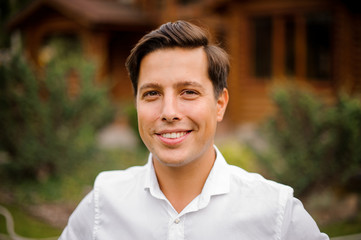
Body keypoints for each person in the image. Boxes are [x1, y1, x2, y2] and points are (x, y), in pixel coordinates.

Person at [59, 20, 329, 240]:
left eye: (188, 92)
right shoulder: (102, 204)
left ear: (219, 104)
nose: (168, 112)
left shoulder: (276, 212)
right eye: (152, 93)